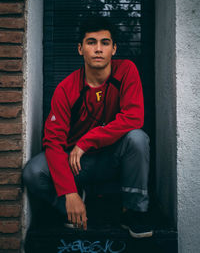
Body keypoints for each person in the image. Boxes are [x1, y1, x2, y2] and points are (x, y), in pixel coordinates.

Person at [23, 16, 152, 238]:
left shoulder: (127, 71)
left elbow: (133, 117)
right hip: (78, 165)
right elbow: (53, 143)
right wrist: (68, 192)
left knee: (138, 138)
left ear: (114, 49)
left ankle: (134, 211)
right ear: (80, 49)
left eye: (105, 42)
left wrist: (86, 141)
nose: (98, 49)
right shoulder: (66, 88)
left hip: (114, 158)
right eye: (91, 42)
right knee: (33, 172)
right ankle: (73, 209)